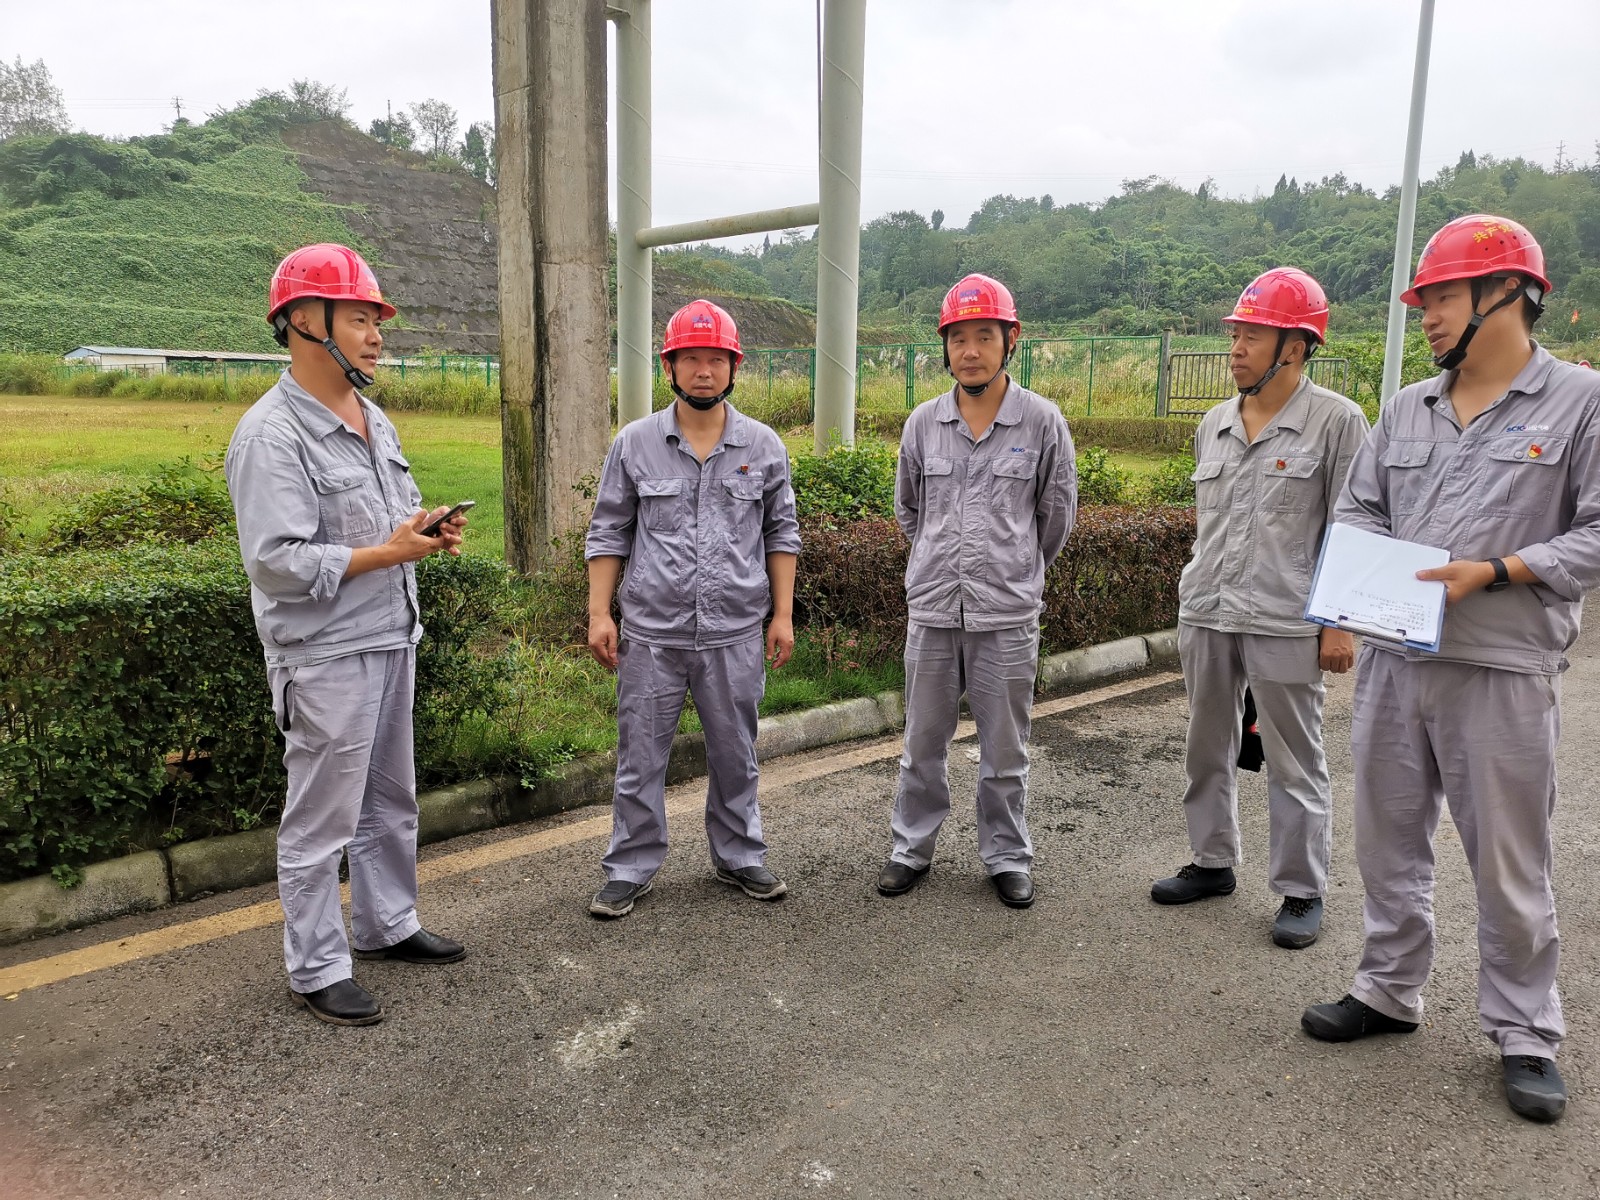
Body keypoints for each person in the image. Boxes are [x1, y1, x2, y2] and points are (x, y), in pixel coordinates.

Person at [1301, 214, 1600, 1123]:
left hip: (1501, 669)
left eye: (1439, 297)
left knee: (1509, 862)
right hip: (1396, 660)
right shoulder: (1406, 408)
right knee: (1387, 842)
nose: (1425, 315)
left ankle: (1525, 1031)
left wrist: (1502, 571)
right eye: (1423, 300)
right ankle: (1389, 988)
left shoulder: (1580, 403)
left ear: (1506, 293)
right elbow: (1359, 510)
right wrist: (1356, 587)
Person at [224, 243, 469, 1027]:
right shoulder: (271, 435)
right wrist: (389, 553)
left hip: (391, 635)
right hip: (324, 654)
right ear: (305, 320)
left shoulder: (374, 419)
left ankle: (387, 924)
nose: (376, 335)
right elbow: (277, 563)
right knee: (321, 819)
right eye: (359, 318)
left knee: (390, 800)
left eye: (375, 320)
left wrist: (423, 532)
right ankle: (317, 967)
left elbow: (386, 520)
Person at [1150, 268, 1368, 949]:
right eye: (1236, 334)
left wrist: (1338, 623)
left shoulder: (1337, 422)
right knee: (1206, 743)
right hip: (1208, 609)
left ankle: (1302, 888)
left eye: (1252, 335)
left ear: (1295, 347)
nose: (1236, 348)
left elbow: (1354, 528)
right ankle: (1212, 860)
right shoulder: (1214, 423)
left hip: (1285, 617)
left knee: (1294, 755)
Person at [584, 299, 801, 919]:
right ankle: (630, 865)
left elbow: (781, 532)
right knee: (640, 755)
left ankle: (739, 855)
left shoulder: (762, 445)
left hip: (734, 632)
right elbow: (608, 531)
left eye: (716, 359)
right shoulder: (635, 443)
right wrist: (600, 614)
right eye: (690, 359)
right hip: (652, 634)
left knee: (736, 752)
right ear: (669, 366)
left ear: (734, 367)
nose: (703, 371)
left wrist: (782, 615)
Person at [877, 273, 1076, 908]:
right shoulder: (923, 423)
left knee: (1005, 750)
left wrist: (1013, 568)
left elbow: (1055, 518)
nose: (970, 351)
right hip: (934, 612)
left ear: (1010, 340)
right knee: (921, 744)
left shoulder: (1041, 422)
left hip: (1007, 616)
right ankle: (910, 849)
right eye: (958, 338)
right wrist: (940, 564)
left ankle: (1007, 857)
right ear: (945, 346)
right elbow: (910, 512)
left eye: (984, 336)